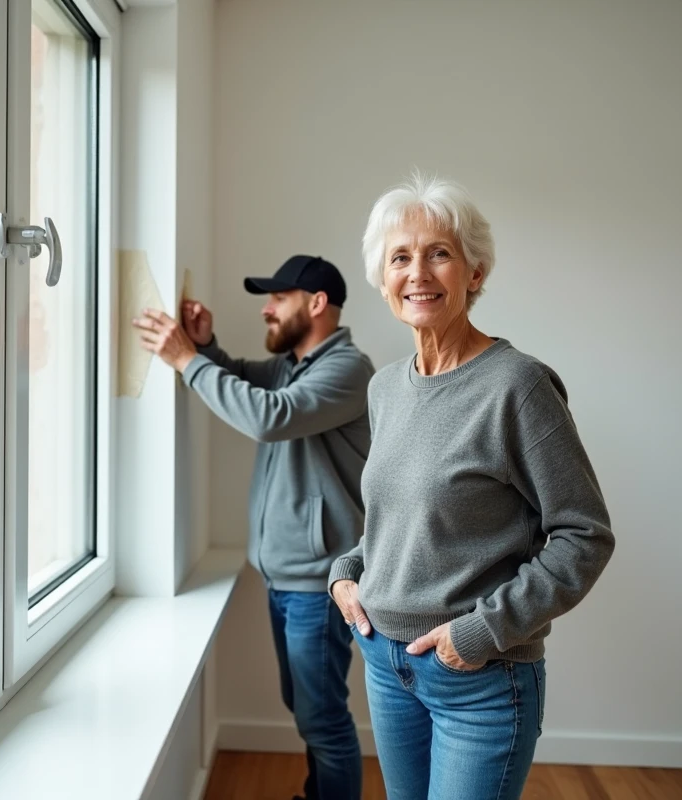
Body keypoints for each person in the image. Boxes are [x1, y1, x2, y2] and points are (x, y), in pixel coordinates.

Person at [329, 173, 616, 800]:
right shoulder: (385, 388)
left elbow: (583, 536)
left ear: (474, 273)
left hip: (480, 676)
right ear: (383, 281)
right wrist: (347, 573)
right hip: (384, 665)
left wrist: (480, 632)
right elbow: (399, 518)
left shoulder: (519, 386)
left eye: (439, 253)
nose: (418, 272)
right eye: (400, 257)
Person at [133, 255, 374, 800]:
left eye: (278, 299)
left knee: (323, 719)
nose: (266, 310)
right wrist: (206, 345)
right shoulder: (294, 366)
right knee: (307, 708)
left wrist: (185, 359)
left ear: (316, 305)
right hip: (285, 576)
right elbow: (238, 378)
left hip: (319, 582)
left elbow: (268, 416)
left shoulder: (347, 370)